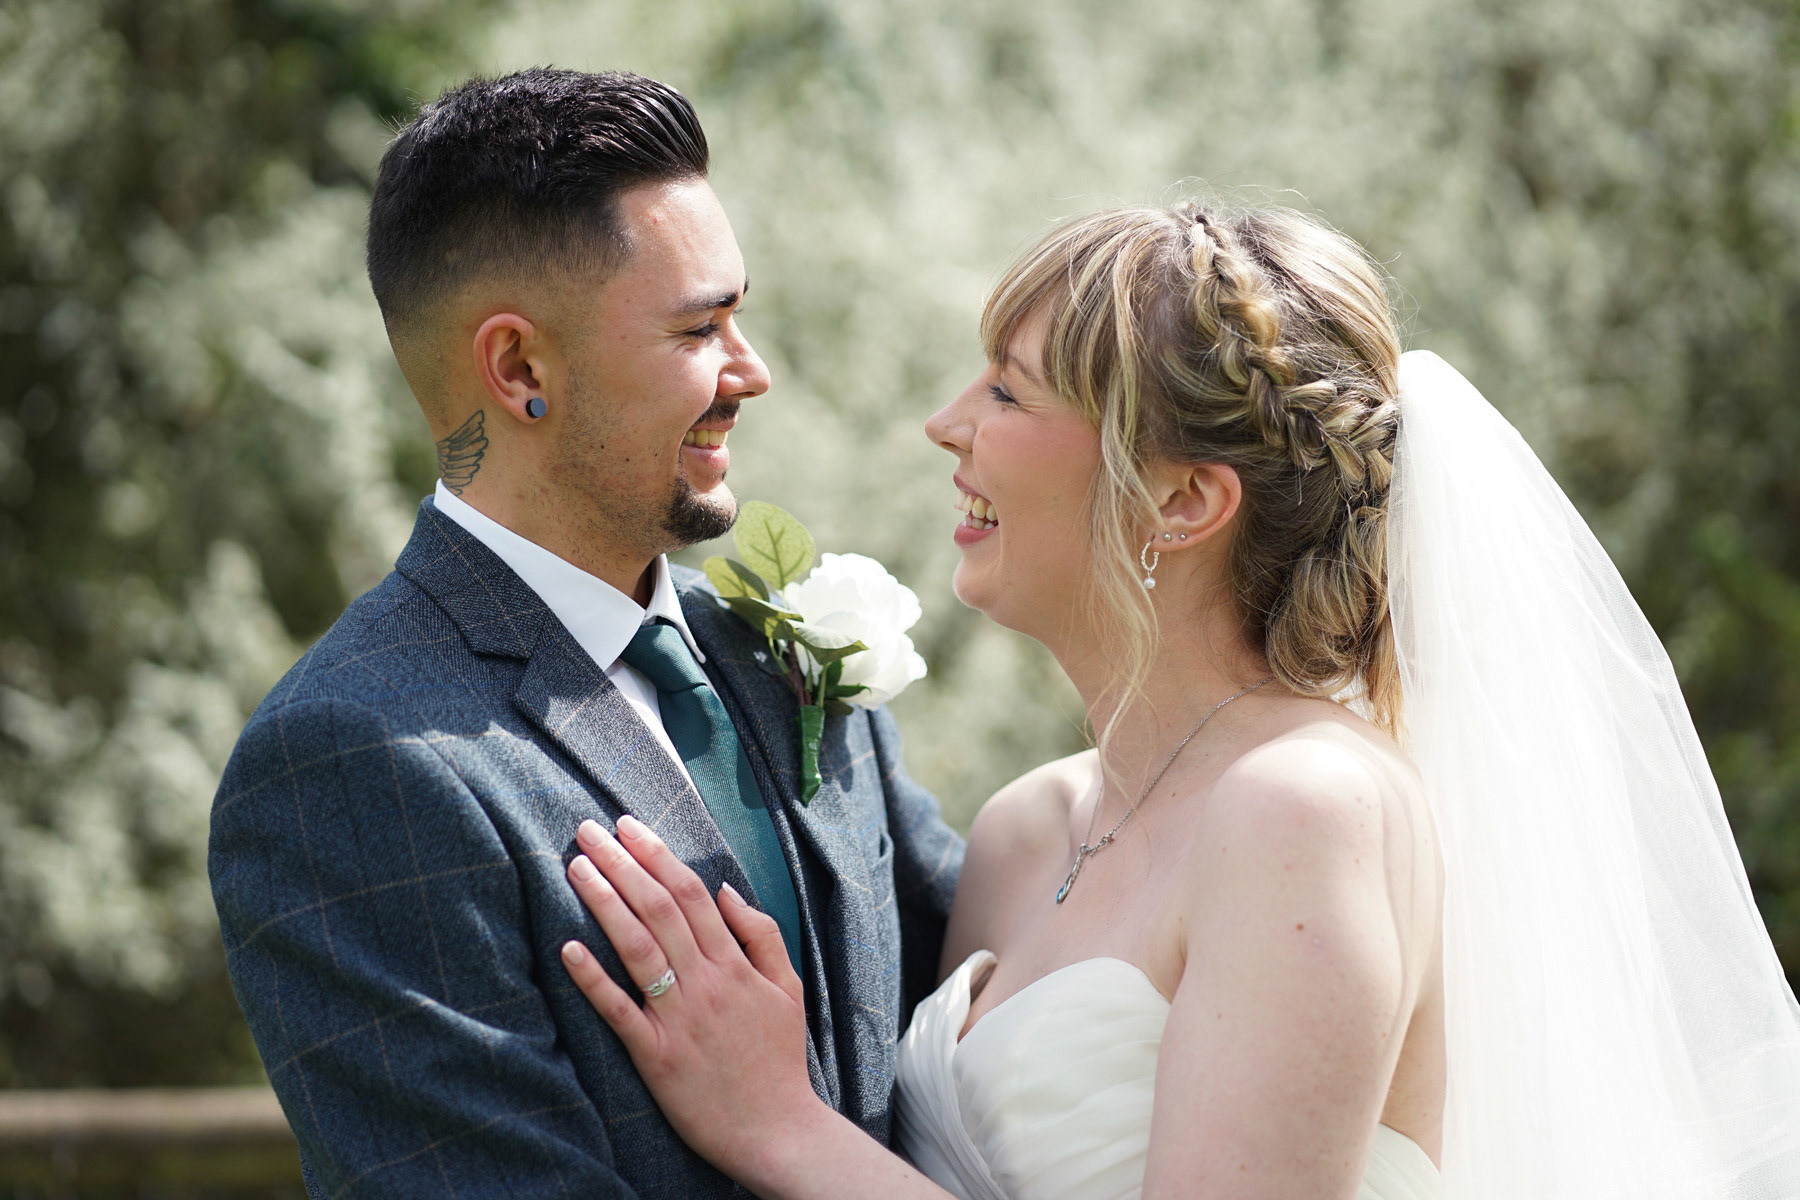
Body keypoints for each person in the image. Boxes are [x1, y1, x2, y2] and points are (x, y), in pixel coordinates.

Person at [558, 200, 1800, 1198]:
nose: (947, 424)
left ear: (1183, 501)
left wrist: (781, 1128)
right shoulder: (1024, 832)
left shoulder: (1305, 808)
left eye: (1009, 391)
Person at [208, 68, 963, 1198]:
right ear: (521, 368)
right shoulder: (350, 762)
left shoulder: (780, 653)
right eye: (700, 328)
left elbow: (995, 981)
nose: (752, 372)